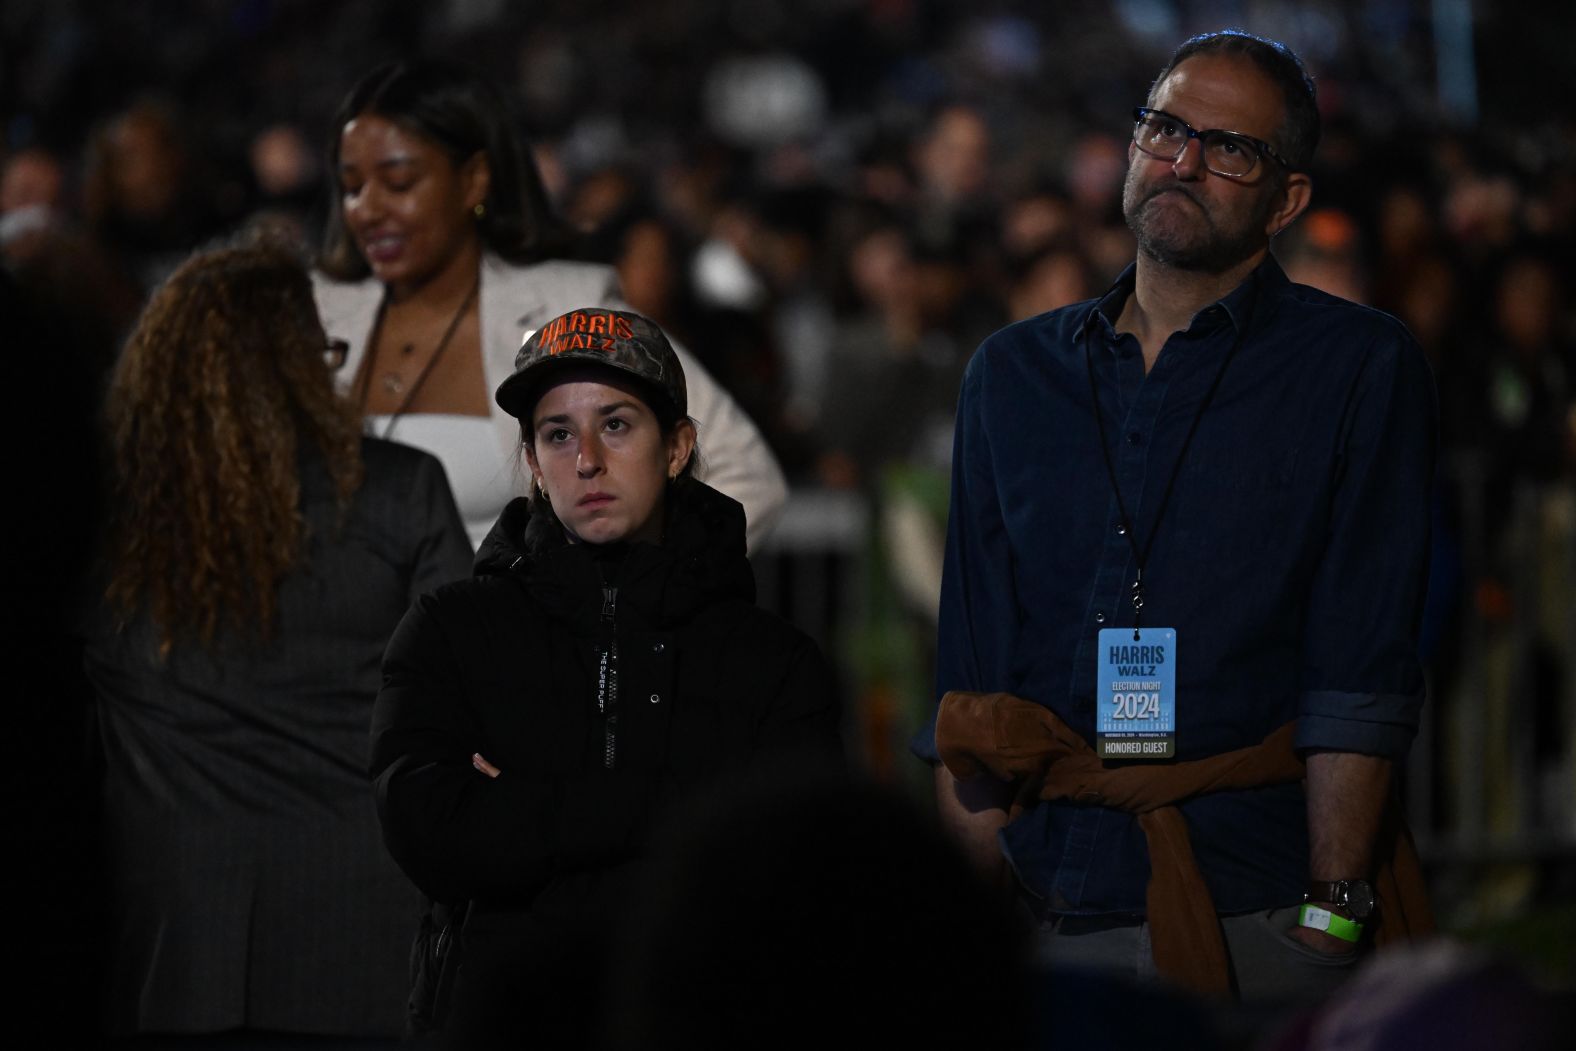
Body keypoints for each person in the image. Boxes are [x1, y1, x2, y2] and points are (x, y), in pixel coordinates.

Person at [914, 30, 1437, 1005]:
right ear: (1130, 145)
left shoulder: (1356, 366)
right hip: (1048, 895)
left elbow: (1358, 666)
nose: (1184, 161)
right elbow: (971, 689)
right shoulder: (1012, 374)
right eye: (1164, 128)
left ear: (1287, 199)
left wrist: (1330, 916)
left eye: (1229, 147)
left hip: (1261, 894)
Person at [369, 306, 841, 1046]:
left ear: (679, 445)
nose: (586, 458)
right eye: (558, 434)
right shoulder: (449, 630)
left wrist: (527, 809)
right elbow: (428, 828)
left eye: (616, 424)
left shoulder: (774, 661)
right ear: (531, 459)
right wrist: (684, 804)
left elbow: (790, 873)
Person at [80, 242, 473, 1040]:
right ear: (301, 360)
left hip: (169, 932)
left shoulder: (105, 515)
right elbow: (462, 696)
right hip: (364, 926)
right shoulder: (402, 491)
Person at [313, 61, 788, 551]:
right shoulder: (311, 317)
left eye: (399, 183)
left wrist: (624, 608)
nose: (367, 210)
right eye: (351, 187)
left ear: (474, 180)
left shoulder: (565, 309)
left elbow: (746, 474)